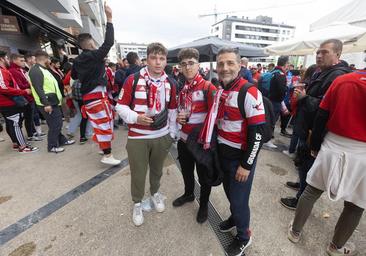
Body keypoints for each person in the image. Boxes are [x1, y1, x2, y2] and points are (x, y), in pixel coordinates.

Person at [288, 69, 366, 256]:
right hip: (363, 152)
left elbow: (322, 114)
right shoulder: (343, 79)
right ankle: (336, 246)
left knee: (312, 190)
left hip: (334, 144)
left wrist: (314, 145)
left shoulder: (343, 80)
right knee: (356, 203)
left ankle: (295, 231)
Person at [200, 47, 265, 255]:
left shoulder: (250, 91)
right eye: (220, 64)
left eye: (230, 63)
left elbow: (257, 133)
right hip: (223, 154)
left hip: (240, 157)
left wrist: (246, 165)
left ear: (239, 65)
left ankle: (244, 236)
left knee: (239, 200)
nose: (225, 68)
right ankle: (234, 218)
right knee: (230, 194)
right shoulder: (220, 90)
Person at [280, 39, 351, 210]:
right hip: (307, 127)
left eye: (324, 52)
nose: (319, 55)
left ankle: (300, 199)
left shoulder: (337, 76)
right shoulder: (322, 72)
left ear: (338, 54)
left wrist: (304, 97)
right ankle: (301, 184)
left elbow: (327, 108)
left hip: (316, 130)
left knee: (309, 164)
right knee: (303, 162)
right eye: (318, 52)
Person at [116, 42, 177, 226]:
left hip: (162, 136)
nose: (158, 62)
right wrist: (135, 117)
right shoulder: (133, 79)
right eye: (154, 58)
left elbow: (173, 109)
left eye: (162, 58)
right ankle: (137, 202)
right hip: (138, 137)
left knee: (157, 170)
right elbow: (120, 105)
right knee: (138, 173)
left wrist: (171, 134)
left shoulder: (170, 82)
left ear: (166, 61)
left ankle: (155, 194)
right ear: (147, 59)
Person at [71, 2, 120, 165]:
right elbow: (109, 42)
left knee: (99, 124)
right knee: (105, 125)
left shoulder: (78, 60)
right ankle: (107, 154)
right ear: (91, 43)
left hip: (88, 99)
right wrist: (109, 18)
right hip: (98, 98)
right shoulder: (94, 55)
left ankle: (103, 148)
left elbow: (75, 75)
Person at [172, 48, 217, 223]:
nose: (188, 67)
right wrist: (178, 117)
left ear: (198, 65)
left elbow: (216, 117)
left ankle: (204, 205)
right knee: (186, 171)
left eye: (191, 63)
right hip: (184, 140)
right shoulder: (182, 89)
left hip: (200, 142)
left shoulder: (208, 87)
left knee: (204, 176)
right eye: (184, 64)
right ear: (180, 67)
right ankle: (189, 194)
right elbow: (180, 112)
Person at [29, 50, 74, 153]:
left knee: (55, 124)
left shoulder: (43, 69)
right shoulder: (36, 70)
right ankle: (52, 146)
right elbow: (38, 88)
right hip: (48, 103)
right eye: (48, 58)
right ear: (44, 58)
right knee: (56, 124)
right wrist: (46, 104)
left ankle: (61, 140)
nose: (49, 60)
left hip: (53, 101)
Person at [0, 51, 38, 153]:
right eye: (7, 58)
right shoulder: (2, 71)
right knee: (15, 123)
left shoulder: (4, 70)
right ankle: (23, 146)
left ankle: (17, 143)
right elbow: (3, 88)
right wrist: (22, 91)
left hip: (6, 102)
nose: (8, 60)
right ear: (2, 59)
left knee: (11, 123)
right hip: (7, 103)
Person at [8, 53, 43, 142]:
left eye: (24, 60)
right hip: (24, 97)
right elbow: (20, 85)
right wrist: (30, 84)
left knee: (30, 117)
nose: (24, 62)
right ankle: (30, 135)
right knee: (28, 118)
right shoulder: (13, 71)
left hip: (28, 96)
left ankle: (33, 133)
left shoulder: (20, 69)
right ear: (14, 60)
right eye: (21, 61)